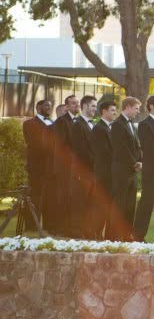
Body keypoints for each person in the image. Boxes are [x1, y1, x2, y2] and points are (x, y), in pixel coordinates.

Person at [134, 94, 154, 242]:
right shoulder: (144, 124)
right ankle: (138, 237)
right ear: (151, 106)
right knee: (146, 205)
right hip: (152, 171)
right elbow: (149, 148)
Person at [110, 97, 143, 240]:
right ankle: (114, 235)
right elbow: (120, 147)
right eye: (136, 108)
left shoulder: (131, 125)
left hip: (132, 172)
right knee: (120, 203)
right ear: (128, 107)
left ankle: (127, 233)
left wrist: (141, 160)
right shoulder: (117, 124)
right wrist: (134, 163)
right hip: (122, 170)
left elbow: (137, 146)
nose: (138, 111)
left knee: (130, 204)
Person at [49, 94, 80, 234]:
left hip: (76, 167)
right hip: (64, 166)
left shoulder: (79, 121)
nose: (77, 106)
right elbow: (61, 145)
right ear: (67, 106)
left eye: (77, 103)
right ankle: (60, 228)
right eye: (73, 103)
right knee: (62, 197)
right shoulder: (61, 122)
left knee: (73, 197)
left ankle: (72, 227)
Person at [21, 99, 54, 232]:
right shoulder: (29, 123)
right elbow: (33, 143)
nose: (49, 108)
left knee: (48, 197)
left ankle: (48, 225)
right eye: (46, 105)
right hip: (36, 166)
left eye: (51, 106)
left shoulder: (53, 123)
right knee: (35, 196)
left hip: (50, 166)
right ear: (38, 107)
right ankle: (32, 226)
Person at [70, 96, 98, 239]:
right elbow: (80, 150)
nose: (95, 109)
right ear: (85, 106)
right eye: (93, 106)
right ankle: (78, 235)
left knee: (92, 204)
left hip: (93, 171)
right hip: (83, 171)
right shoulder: (77, 124)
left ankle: (89, 233)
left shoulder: (92, 124)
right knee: (81, 203)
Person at [90, 101, 116, 241]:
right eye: (112, 110)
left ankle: (104, 234)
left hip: (111, 173)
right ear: (104, 111)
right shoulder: (99, 129)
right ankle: (96, 233)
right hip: (104, 172)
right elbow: (103, 152)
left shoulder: (109, 128)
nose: (114, 113)